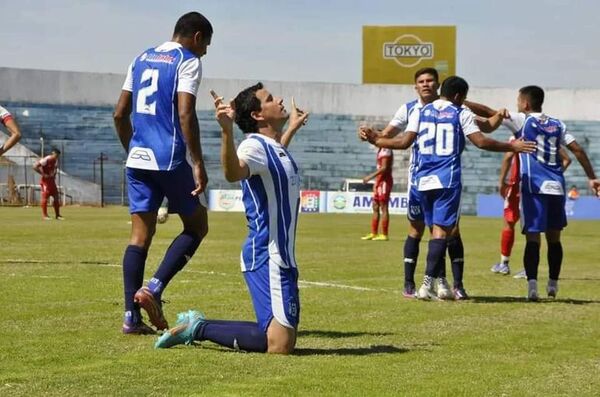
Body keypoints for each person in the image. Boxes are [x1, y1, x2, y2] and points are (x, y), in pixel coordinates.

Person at [155, 83, 308, 354]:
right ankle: (197, 327)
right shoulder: (253, 146)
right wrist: (226, 131)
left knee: (281, 339)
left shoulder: (272, 148)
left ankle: (199, 327)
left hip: (282, 256)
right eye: (270, 99)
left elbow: (275, 159)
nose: (280, 100)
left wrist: (292, 128)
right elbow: (233, 173)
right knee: (280, 344)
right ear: (258, 115)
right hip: (265, 254)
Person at [363, 76, 536, 300]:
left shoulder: (419, 111)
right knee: (441, 232)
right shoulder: (460, 112)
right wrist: (513, 146)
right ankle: (427, 284)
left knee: (427, 229)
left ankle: (436, 283)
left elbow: (403, 142)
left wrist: (375, 140)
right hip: (446, 180)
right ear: (458, 97)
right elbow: (481, 141)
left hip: (421, 180)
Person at [112, 11, 213, 334]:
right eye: (206, 44)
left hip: (138, 159)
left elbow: (119, 114)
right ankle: (154, 288)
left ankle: (131, 318)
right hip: (168, 159)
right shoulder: (187, 60)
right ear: (197, 37)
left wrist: (134, 150)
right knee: (197, 226)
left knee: (139, 237)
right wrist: (197, 161)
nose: (206, 52)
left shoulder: (140, 58)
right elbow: (185, 112)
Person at [467, 86, 599, 300]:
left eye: (518, 101)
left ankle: (532, 287)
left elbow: (488, 112)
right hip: (556, 186)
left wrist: (463, 102)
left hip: (534, 187)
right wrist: (592, 177)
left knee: (533, 238)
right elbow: (577, 150)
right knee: (554, 239)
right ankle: (553, 284)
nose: (517, 104)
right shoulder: (558, 124)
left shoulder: (522, 120)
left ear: (525, 103)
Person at [490, 144, 571, 277]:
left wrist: (502, 182)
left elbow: (508, 156)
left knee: (510, 223)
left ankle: (504, 264)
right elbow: (567, 159)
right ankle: (530, 270)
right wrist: (555, 175)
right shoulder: (550, 141)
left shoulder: (521, 138)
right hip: (540, 187)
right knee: (538, 229)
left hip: (519, 185)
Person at [360, 146, 393, 241]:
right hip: (379, 180)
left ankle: (384, 234)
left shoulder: (386, 149)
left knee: (383, 206)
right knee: (375, 206)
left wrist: (370, 176)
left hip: (385, 181)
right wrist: (376, 181)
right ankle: (374, 233)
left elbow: (384, 167)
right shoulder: (381, 150)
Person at [33, 148, 63, 220]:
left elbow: (55, 168)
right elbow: (35, 166)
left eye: (58, 156)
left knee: (56, 197)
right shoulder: (46, 159)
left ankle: (57, 215)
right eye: (56, 155)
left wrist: (54, 174)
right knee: (45, 198)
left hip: (52, 181)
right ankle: (45, 216)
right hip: (45, 182)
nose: (57, 157)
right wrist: (43, 174)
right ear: (53, 153)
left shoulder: (56, 160)